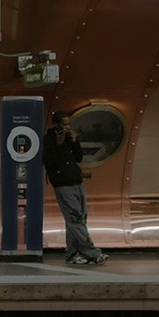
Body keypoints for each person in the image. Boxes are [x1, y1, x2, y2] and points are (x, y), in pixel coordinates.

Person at [44, 110, 107, 265]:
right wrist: (58, 144)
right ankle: (93, 253)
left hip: (76, 181)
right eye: (64, 124)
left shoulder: (69, 139)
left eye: (68, 124)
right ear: (56, 124)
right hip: (62, 183)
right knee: (75, 218)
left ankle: (72, 254)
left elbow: (78, 157)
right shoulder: (48, 140)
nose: (67, 127)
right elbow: (49, 161)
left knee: (78, 218)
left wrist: (74, 141)